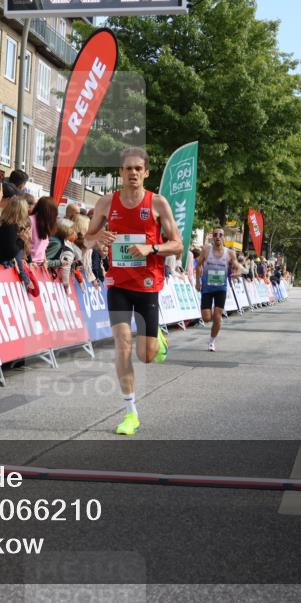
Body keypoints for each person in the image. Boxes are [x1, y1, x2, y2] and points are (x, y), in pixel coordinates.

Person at [85, 147, 183, 436]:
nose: (133, 173)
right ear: (120, 172)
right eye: (128, 169)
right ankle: (131, 414)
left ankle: (157, 339)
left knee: (147, 355)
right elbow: (87, 240)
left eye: (138, 169)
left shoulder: (158, 203)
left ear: (146, 172)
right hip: (118, 284)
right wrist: (97, 238)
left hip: (147, 285)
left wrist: (150, 248)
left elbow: (177, 244)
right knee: (122, 344)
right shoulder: (106, 203)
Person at [196, 227, 242, 352]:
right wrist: (197, 281)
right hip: (207, 288)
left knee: (217, 317)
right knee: (206, 318)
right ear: (212, 237)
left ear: (223, 237)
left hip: (221, 288)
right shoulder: (206, 250)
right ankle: (214, 315)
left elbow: (237, 267)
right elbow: (199, 264)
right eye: (215, 234)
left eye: (220, 234)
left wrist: (237, 273)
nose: (217, 236)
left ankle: (212, 341)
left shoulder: (230, 253)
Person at [0, 196, 33, 288]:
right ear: (21, 211)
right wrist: (21, 241)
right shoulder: (10, 227)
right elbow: (11, 253)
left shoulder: (4, 223)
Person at [30, 196, 57, 267]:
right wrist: (29, 261)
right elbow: (24, 244)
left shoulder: (46, 224)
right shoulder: (30, 220)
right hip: (30, 264)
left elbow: (42, 247)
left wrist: (44, 259)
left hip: (39, 265)